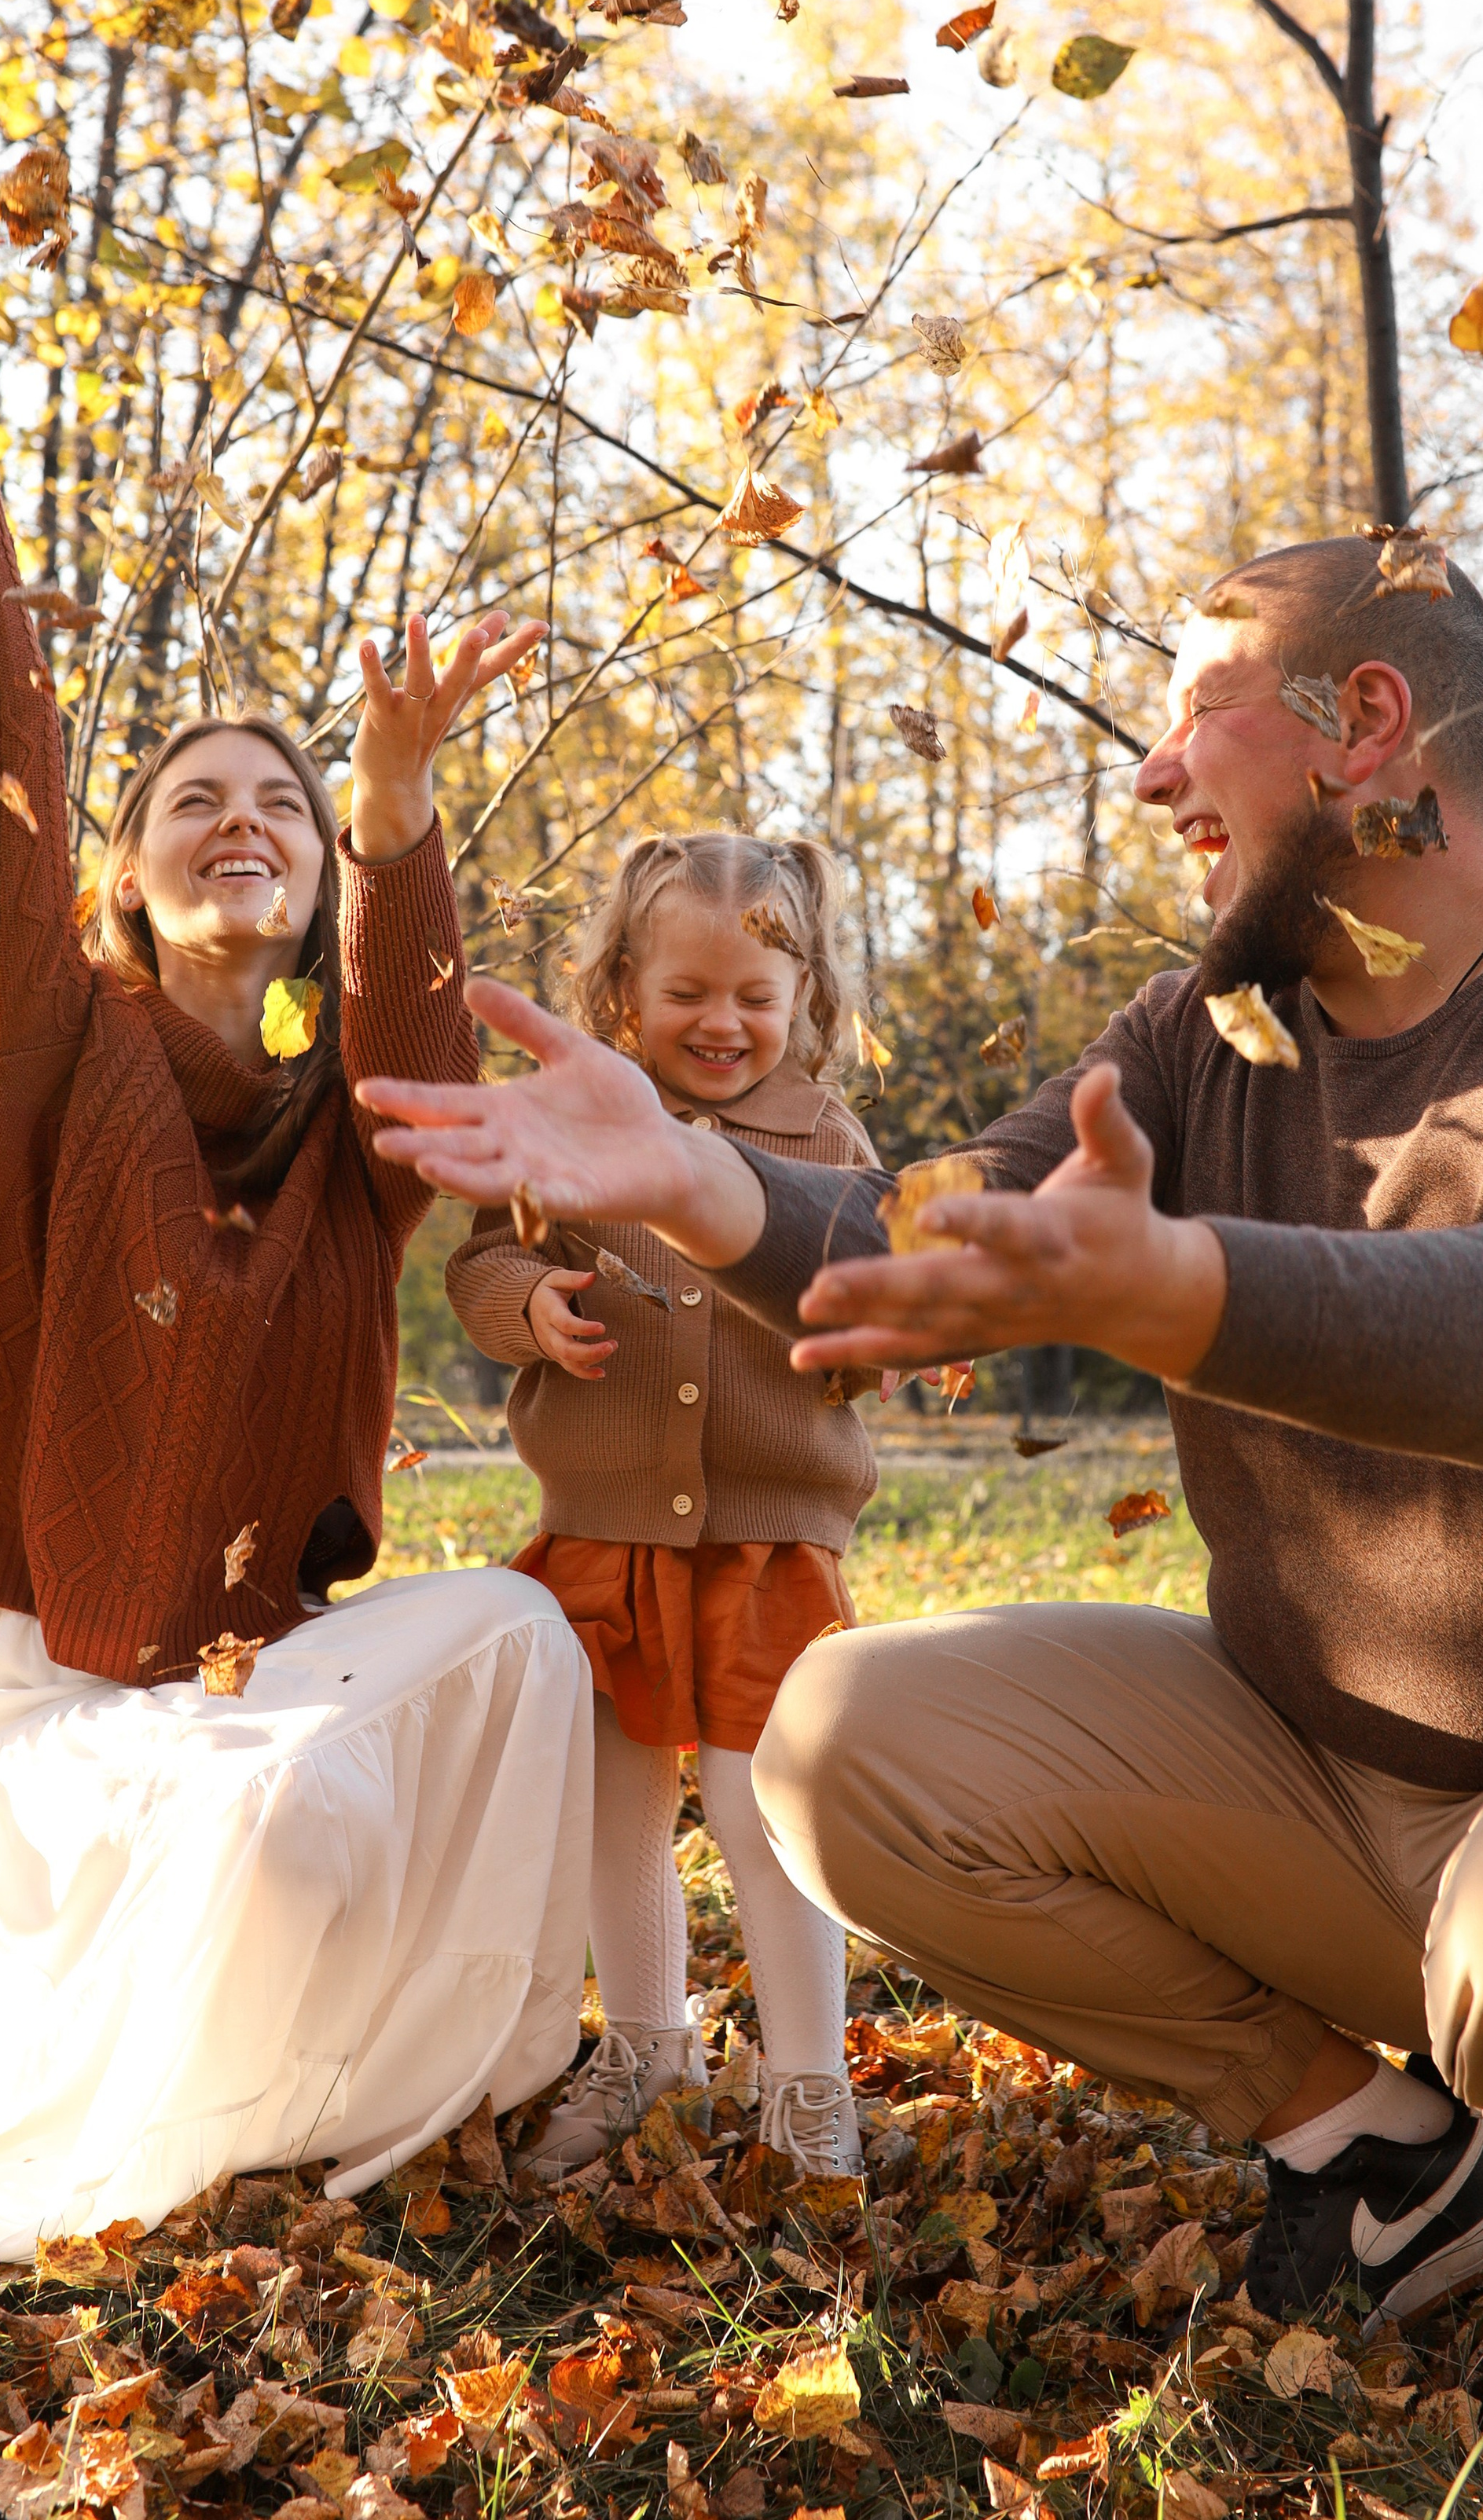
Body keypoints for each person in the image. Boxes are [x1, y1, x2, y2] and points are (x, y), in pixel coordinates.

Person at [360, 534, 1483, 2520]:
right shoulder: (1201, 1027)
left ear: (1365, 724)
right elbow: (939, 1225)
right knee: (844, 1739)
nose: (1155, 774)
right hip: (1335, 1784)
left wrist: (1176, 1287)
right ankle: (1378, 2158)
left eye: (1196, 712)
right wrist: (684, 1177)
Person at [0, 148, 593, 2265]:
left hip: (237, 1688)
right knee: (239, 1860)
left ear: (311, 870)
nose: (241, 820)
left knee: (498, 1653)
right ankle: (96, 2094)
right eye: (192, 799)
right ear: (123, 873)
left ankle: (311, 2090)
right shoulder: (55, 1029)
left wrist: (393, 801)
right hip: (23, 1704)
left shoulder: (353, 1128)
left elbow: (415, 1036)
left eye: (278, 802)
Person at [445, 834, 876, 2181]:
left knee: (766, 1815)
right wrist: (531, 1306)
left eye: (759, 993)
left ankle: (808, 2085)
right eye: (689, 992)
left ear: (807, 996)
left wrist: (892, 1329)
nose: (726, 1022)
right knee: (614, 1810)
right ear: (623, 992)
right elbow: (483, 1264)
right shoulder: (570, 1125)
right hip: (606, 1532)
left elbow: (862, 1293)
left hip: (766, 1541)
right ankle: (646, 2044)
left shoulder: (830, 1141)